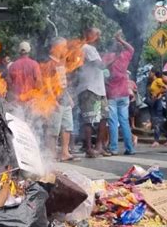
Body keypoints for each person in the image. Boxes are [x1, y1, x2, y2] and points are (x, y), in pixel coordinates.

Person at [76, 27, 111, 158]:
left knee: (103, 118)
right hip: (89, 89)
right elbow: (100, 65)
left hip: (99, 90)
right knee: (90, 119)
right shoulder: (86, 48)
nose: (99, 37)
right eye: (96, 34)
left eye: (99, 34)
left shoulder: (93, 49)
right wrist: (116, 57)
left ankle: (99, 147)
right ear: (89, 35)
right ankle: (89, 148)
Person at [43, 37, 78, 162]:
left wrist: (68, 97)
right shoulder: (49, 63)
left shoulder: (61, 62)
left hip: (65, 99)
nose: (65, 49)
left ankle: (65, 152)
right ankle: (51, 154)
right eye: (63, 46)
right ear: (56, 47)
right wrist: (53, 100)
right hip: (55, 100)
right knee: (53, 129)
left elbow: (63, 84)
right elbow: (47, 83)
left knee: (67, 126)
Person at [104, 31, 136, 155]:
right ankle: (130, 148)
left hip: (112, 93)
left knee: (113, 121)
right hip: (124, 93)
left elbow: (100, 67)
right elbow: (131, 49)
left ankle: (114, 148)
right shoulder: (125, 56)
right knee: (124, 121)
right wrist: (121, 39)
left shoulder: (108, 57)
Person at [147, 69, 166, 148]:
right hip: (155, 101)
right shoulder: (153, 82)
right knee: (156, 120)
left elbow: (165, 87)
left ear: (154, 73)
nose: (149, 74)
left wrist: (159, 94)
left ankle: (157, 140)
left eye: (150, 72)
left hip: (158, 102)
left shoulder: (158, 80)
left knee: (158, 120)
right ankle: (159, 140)